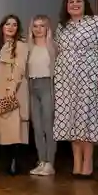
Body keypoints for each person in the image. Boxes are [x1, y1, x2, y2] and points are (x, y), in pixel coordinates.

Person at [53, 0, 98, 179]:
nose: (74, 4)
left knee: (87, 118)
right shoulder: (62, 27)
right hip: (66, 79)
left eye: (78, 1)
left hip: (89, 77)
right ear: (66, 6)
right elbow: (57, 51)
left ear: (85, 3)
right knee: (71, 120)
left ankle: (87, 164)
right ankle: (76, 163)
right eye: (70, 2)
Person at [0, 14, 29, 175]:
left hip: (13, 91)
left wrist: (11, 89)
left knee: (15, 129)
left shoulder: (20, 46)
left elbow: (20, 69)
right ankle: (6, 162)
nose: (10, 27)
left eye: (14, 25)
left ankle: (15, 163)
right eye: (7, 24)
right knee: (3, 129)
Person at [27, 15, 57, 176]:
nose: (38, 29)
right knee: (37, 127)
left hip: (47, 86)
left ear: (47, 28)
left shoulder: (53, 47)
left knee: (48, 126)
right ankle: (42, 161)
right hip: (32, 87)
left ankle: (50, 163)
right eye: (35, 26)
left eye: (42, 26)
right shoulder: (28, 47)